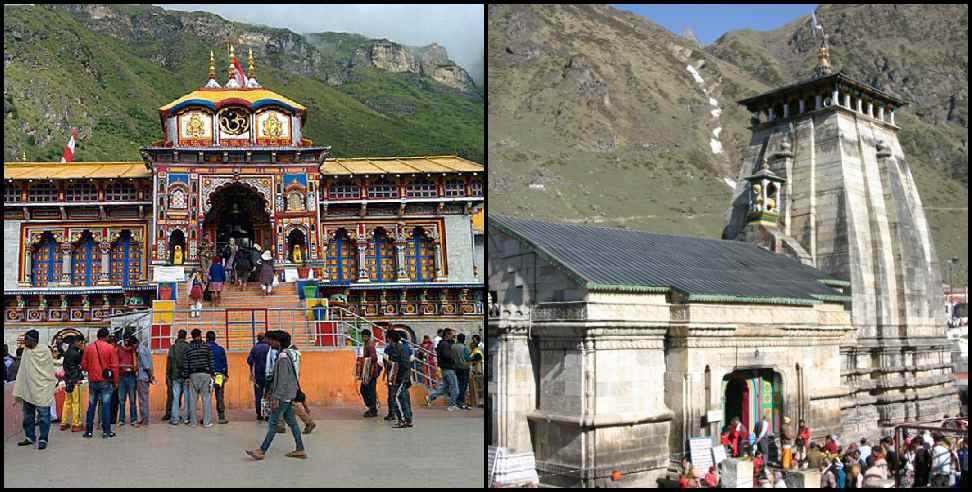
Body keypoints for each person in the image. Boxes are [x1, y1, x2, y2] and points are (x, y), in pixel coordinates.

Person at [246, 330, 306, 460]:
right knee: (292, 422)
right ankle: (300, 449)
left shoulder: (283, 357)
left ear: (277, 342)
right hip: (289, 394)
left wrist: (276, 397)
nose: (268, 342)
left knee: (273, 423)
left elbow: (283, 379)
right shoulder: (288, 354)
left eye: (270, 340)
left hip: (283, 396)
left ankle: (262, 450)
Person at [12, 330, 58, 450]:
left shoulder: (44, 351)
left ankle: (43, 439)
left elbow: (48, 372)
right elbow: (22, 371)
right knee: (28, 416)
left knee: (43, 416)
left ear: (34, 340)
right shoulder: (26, 352)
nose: (25, 342)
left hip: (42, 389)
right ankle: (29, 437)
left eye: (27, 340)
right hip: (27, 389)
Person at [81, 327, 119, 439]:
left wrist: (92, 370)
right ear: (106, 336)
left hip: (93, 381)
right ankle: (106, 432)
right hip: (105, 382)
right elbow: (115, 367)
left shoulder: (89, 348)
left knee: (92, 405)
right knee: (106, 406)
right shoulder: (110, 348)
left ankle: (88, 432)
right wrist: (116, 381)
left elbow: (83, 365)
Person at [182, 329, 214, 428]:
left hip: (193, 375)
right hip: (205, 374)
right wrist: (212, 373)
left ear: (192, 336)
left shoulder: (188, 348)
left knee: (192, 399)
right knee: (206, 399)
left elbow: (185, 363)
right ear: (200, 335)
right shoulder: (206, 347)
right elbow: (211, 361)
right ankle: (207, 422)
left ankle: (193, 422)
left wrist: (187, 376)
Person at [427, 328, 460, 411]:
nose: (454, 337)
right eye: (452, 335)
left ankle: (430, 397)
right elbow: (446, 355)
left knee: (444, 388)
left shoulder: (443, 344)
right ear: (448, 335)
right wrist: (454, 358)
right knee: (454, 388)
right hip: (449, 368)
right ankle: (452, 404)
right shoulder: (445, 345)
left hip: (445, 368)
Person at [385, 331, 413, 428]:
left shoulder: (400, 349)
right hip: (396, 377)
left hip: (400, 378)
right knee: (401, 398)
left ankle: (404, 419)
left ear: (390, 339)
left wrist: (392, 365)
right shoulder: (394, 348)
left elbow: (405, 364)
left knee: (397, 398)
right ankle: (406, 419)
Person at [59, 336, 85, 432]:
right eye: (81, 342)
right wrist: (82, 351)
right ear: (77, 342)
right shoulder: (76, 353)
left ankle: (64, 422)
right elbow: (81, 363)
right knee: (76, 402)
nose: (82, 344)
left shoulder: (67, 352)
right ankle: (76, 423)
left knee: (67, 402)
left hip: (67, 379)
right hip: (75, 380)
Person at [166, 329, 190, 425]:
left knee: (175, 397)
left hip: (175, 375)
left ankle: (175, 419)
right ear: (185, 336)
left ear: (178, 336)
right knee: (187, 397)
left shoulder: (173, 347)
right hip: (186, 375)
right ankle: (186, 418)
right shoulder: (189, 347)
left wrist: (168, 374)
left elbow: (169, 362)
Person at [205, 331, 229, 424]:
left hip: (208, 375)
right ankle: (221, 417)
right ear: (214, 338)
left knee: (206, 396)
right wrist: (226, 374)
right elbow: (224, 363)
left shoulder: (204, 349)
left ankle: (207, 417)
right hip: (219, 375)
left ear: (206, 338)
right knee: (219, 396)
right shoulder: (220, 349)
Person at [115, 335, 139, 426]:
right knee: (121, 400)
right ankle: (121, 419)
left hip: (131, 376)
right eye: (125, 340)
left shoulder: (134, 351)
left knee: (132, 400)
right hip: (122, 376)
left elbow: (137, 365)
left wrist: (132, 367)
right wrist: (124, 366)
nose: (127, 343)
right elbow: (116, 363)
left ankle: (134, 419)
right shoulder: (119, 350)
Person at [247, 333, 271, 420]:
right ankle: (267, 414)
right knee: (268, 394)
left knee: (258, 394)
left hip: (257, 375)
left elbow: (249, 360)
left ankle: (259, 414)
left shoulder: (255, 348)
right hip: (268, 375)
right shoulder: (269, 348)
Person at [358, 329, 380, 417]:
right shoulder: (367, 344)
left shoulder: (370, 345)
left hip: (370, 372)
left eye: (364, 336)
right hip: (368, 371)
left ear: (367, 336)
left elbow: (374, 358)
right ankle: (372, 408)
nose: (363, 338)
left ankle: (372, 408)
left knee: (367, 390)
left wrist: (364, 360)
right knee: (367, 390)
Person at [134, 334, 155, 428]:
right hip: (145, 377)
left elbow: (146, 366)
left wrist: (151, 377)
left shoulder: (140, 351)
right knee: (144, 399)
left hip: (142, 377)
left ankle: (144, 419)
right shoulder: (144, 348)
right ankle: (144, 418)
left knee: (143, 399)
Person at [453, 333, 472, 410]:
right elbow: (468, 358)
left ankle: (455, 400)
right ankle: (460, 401)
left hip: (455, 367)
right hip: (464, 368)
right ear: (464, 339)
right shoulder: (464, 348)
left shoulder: (453, 347)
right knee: (463, 386)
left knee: (456, 384)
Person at [467, 337, 483, 408]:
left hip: (478, 372)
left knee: (479, 388)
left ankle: (480, 401)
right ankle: (476, 401)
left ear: (473, 346)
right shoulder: (474, 351)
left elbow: (477, 359)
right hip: (476, 372)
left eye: (471, 346)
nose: (470, 347)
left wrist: (471, 361)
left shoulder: (477, 352)